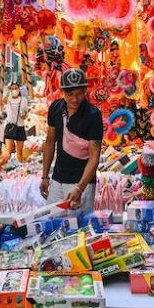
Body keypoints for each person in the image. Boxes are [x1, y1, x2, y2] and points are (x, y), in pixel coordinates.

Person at [41, 68, 103, 212]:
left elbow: (94, 157)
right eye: (70, 94)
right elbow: (50, 141)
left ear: (85, 91)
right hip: (58, 178)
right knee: (52, 221)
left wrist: (80, 188)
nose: (75, 99)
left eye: (79, 94)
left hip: (82, 182)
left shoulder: (93, 115)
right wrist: (45, 176)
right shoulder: (55, 108)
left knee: (79, 228)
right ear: (62, 91)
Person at [3, 81, 29, 163]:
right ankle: (7, 167)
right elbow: (3, 101)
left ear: (19, 89)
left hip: (20, 125)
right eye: (12, 88)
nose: (14, 90)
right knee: (9, 150)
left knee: (20, 150)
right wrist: (7, 90)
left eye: (16, 88)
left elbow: (25, 113)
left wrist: (24, 115)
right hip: (10, 125)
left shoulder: (23, 100)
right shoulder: (8, 99)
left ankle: (19, 166)